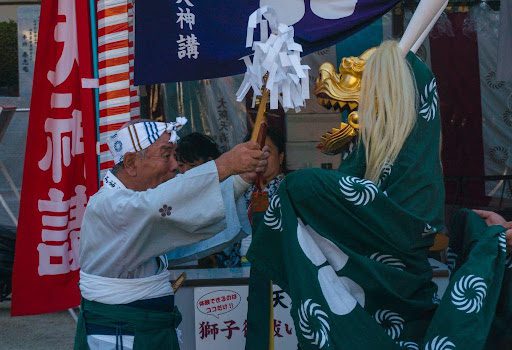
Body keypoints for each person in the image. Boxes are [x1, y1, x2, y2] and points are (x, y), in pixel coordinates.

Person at [245, 41, 512, 349]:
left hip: (386, 312)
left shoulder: (320, 186)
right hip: (394, 310)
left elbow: (302, 191)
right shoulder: (369, 171)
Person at [74, 118, 269, 350]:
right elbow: (158, 205)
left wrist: (239, 180)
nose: (175, 165)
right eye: (166, 155)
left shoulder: (137, 209)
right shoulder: (110, 205)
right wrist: (226, 165)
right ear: (131, 162)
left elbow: (181, 229)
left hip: (142, 327)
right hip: (121, 334)